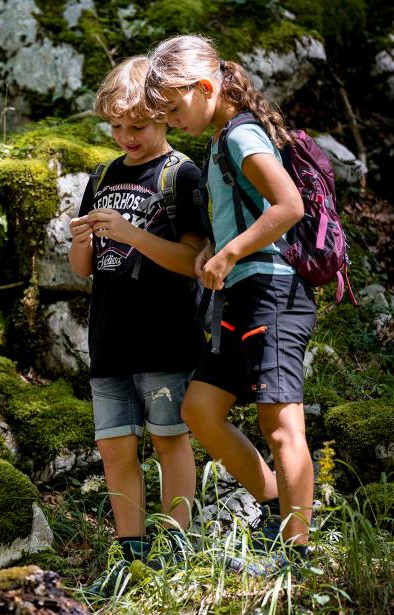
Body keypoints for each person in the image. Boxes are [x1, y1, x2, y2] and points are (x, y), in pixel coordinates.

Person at [145, 34, 317, 572]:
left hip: (273, 294)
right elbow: (246, 214)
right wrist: (214, 255)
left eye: (174, 109)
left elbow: (289, 205)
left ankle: (298, 552)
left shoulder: (242, 136)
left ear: (204, 87)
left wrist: (232, 253)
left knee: (281, 423)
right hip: (239, 296)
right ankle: (273, 503)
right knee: (200, 409)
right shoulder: (222, 140)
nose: (172, 122)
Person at [68, 56, 207, 597]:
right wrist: (83, 241)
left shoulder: (182, 174)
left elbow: (190, 260)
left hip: (166, 337)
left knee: (170, 439)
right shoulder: (101, 176)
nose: (126, 137)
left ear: (166, 119)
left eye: (139, 127)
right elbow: (85, 271)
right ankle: (131, 558)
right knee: (115, 449)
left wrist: (130, 233)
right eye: (117, 127)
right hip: (109, 338)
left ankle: (176, 550)